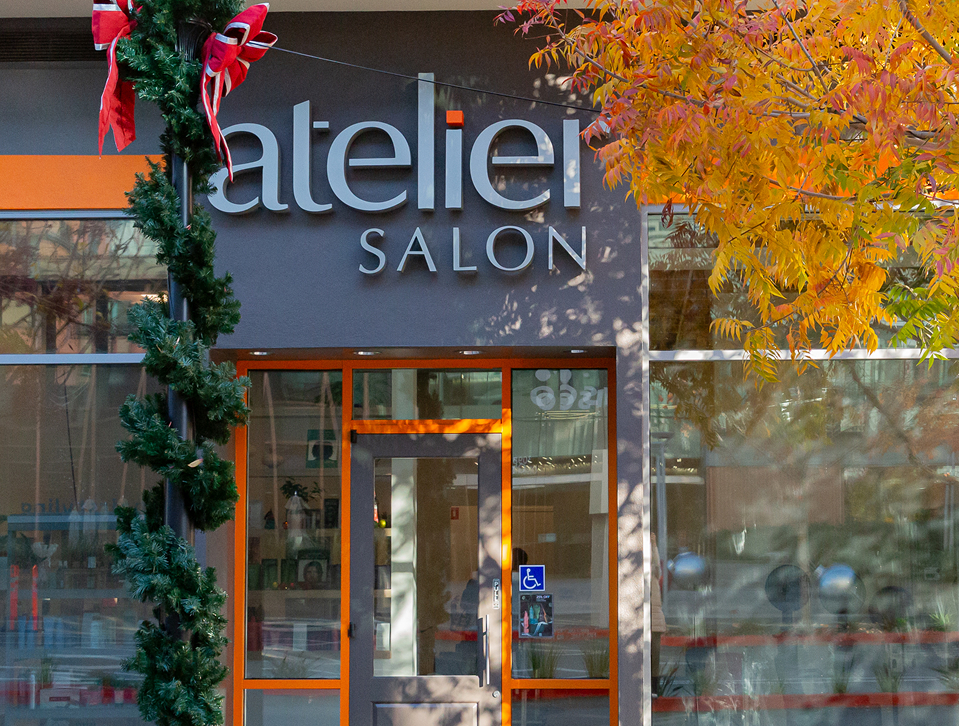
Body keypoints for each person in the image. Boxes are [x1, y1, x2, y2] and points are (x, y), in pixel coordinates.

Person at [650, 534, 667, 694]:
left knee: (654, 657)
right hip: (647, 619)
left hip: (654, 618)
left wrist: (653, 544)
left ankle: (654, 689)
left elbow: (657, 567)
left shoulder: (653, 573)